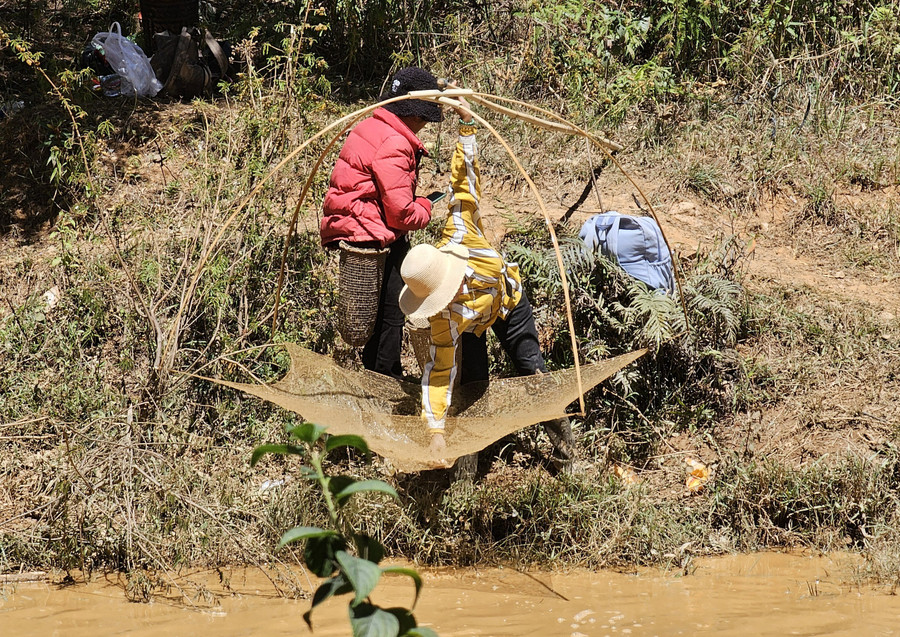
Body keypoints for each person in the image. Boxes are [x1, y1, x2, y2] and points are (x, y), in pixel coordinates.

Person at [398, 96, 576, 477]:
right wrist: (435, 432)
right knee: (471, 392)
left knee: (533, 373)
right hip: (471, 326)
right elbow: (438, 373)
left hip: (508, 302)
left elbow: (464, 179)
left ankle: (565, 453)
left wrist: (466, 125)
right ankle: (466, 477)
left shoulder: (462, 231)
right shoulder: (443, 319)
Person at [321, 67, 443, 379]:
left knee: (381, 309)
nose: (426, 125)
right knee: (392, 309)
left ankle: (377, 368)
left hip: (362, 227)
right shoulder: (395, 142)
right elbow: (401, 213)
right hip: (372, 232)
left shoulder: (373, 125)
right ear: (414, 114)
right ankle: (384, 374)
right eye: (425, 118)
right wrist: (427, 205)